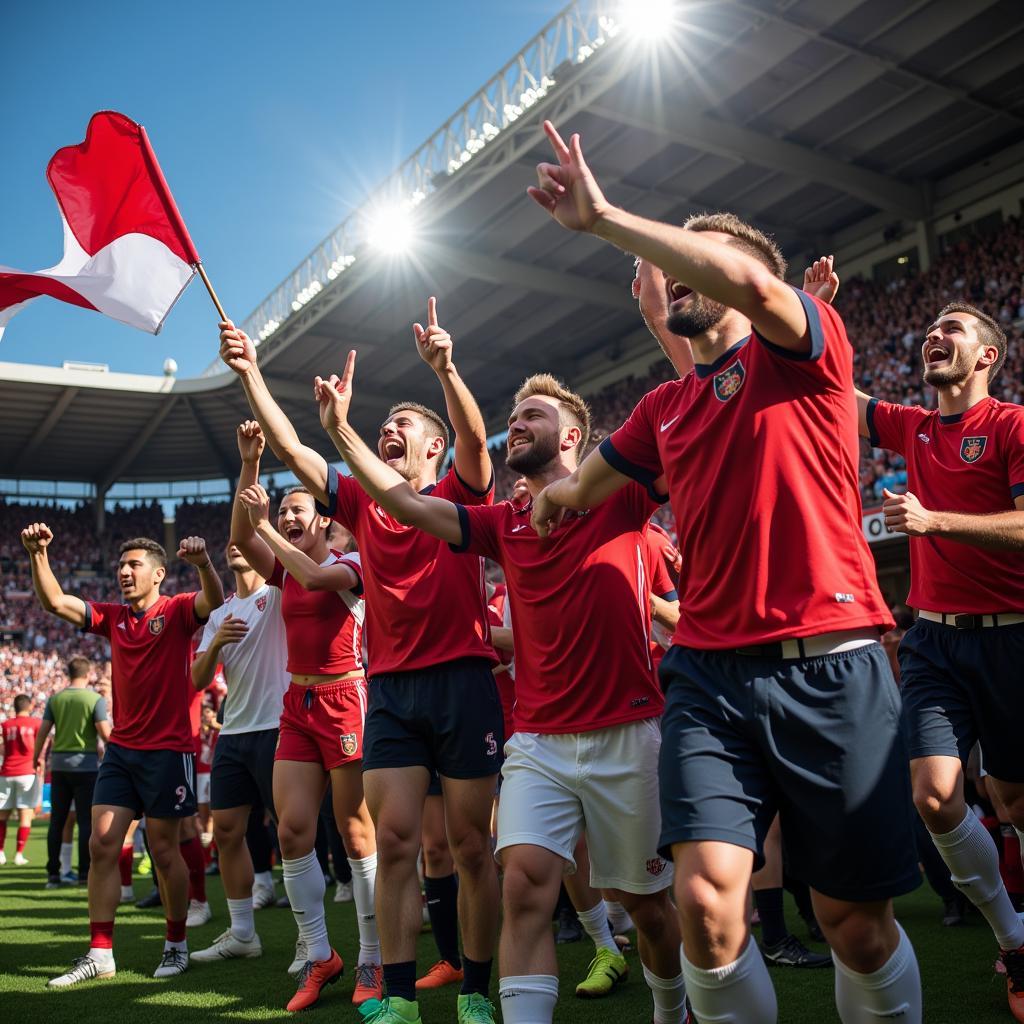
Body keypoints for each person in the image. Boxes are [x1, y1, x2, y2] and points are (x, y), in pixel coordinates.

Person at [526, 121, 922, 1024]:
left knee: (854, 925)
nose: (688, 272)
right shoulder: (665, 404)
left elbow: (745, 279)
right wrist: (554, 502)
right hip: (708, 674)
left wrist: (606, 219)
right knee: (706, 908)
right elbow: (590, 481)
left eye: (705, 257)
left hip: (834, 659)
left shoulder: (807, 355)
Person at [315, 364, 686, 1024]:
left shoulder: (624, 496)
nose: (515, 425)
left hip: (627, 732)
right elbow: (403, 504)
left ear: (572, 435)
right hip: (538, 742)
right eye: (511, 418)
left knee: (648, 906)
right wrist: (341, 431)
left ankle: (672, 1006)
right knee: (522, 887)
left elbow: (685, 420)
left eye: (532, 416)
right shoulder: (499, 522)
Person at [219, 299, 502, 1024]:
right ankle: (399, 996)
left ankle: (474, 987)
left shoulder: (458, 494)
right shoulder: (364, 508)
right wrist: (250, 372)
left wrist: (445, 371)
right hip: (393, 694)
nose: (391, 428)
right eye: (387, 425)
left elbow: (474, 436)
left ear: (431, 449)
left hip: (464, 681)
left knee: (471, 847)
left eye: (404, 425)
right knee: (397, 843)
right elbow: (292, 451)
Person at [847, 278, 1024, 1018]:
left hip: (1013, 636)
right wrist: (806, 311)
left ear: (986, 355)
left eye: (950, 327)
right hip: (933, 641)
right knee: (934, 794)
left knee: (1014, 799)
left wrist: (935, 522)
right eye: (928, 328)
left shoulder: (1012, 424)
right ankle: (1015, 940)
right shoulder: (913, 425)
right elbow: (836, 394)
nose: (933, 335)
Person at [21, 524, 224, 988]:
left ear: (157, 575)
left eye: (134, 565)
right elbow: (55, 602)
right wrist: (38, 554)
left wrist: (204, 564)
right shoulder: (113, 617)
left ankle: (176, 945)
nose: (124, 572)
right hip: (122, 751)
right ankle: (100, 952)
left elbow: (211, 601)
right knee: (100, 845)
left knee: (165, 848)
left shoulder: (176, 611)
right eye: (120, 566)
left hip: (170, 751)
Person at [228, 421, 380, 1012]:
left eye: (299, 509)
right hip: (297, 704)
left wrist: (266, 521)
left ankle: (371, 958)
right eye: (284, 509)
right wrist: (248, 465)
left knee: (355, 831)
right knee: (292, 830)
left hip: (347, 698)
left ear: (323, 519)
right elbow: (244, 535)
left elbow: (313, 574)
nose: (289, 516)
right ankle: (320, 957)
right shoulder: (283, 567)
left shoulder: (349, 562)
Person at [190, 536, 290, 965]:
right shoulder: (219, 612)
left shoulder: (280, 592)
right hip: (234, 732)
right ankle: (243, 934)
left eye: (240, 540)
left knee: (292, 833)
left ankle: (312, 940)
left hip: (278, 726)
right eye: (228, 543)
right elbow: (197, 680)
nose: (233, 545)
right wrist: (214, 644)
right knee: (228, 832)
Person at [33, 654, 111, 888]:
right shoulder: (94, 699)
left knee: (57, 820)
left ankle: (53, 874)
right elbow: (105, 734)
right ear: (87, 675)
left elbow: (44, 731)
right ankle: (84, 874)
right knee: (86, 821)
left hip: (59, 765)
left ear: (69, 674)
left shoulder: (55, 699)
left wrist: (36, 757)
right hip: (86, 765)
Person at [0, 694, 43, 866]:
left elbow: (3, 748)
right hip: (27, 772)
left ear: (15, 707)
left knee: (2, 816)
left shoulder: (6, 725)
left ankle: (0, 852)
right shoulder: (36, 724)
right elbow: (39, 751)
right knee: (25, 816)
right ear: (30, 706)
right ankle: (19, 854)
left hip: (6, 773)